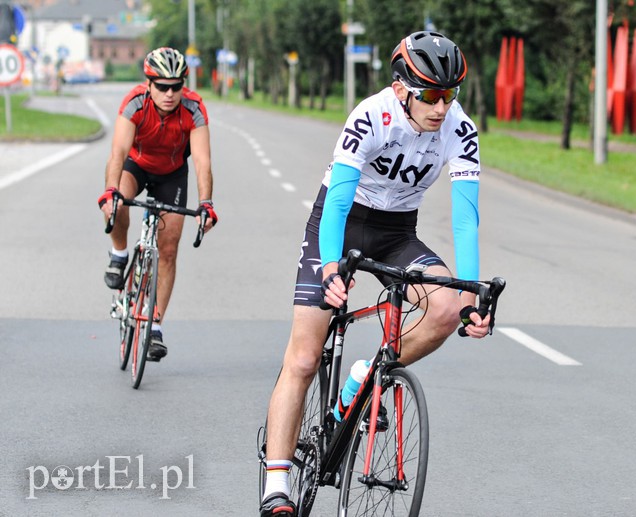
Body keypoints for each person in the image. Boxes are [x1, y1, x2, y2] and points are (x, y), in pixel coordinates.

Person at [260, 31, 491, 517]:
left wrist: (469, 292)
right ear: (401, 86)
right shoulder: (371, 115)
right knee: (303, 359)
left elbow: (465, 217)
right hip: (340, 223)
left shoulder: (460, 129)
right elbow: (338, 201)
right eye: (430, 94)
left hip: (396, 231)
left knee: (446, 306)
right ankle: (276, 483)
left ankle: (366, 376)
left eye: (450, 95)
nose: (441, 106)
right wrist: (329, 268)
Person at [97, 47, 218, 361]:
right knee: (119, 202)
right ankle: (120, 253)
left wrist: (206, 203)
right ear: (148, 84)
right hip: (136, 166)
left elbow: (203, 162)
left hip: (172, 173)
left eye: (176, 86)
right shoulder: (134, 103)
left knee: (168, 248)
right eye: (162, 86)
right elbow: (117, 153)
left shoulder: (193, 108)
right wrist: (110, 191)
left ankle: (155, 326)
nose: (169, 93)